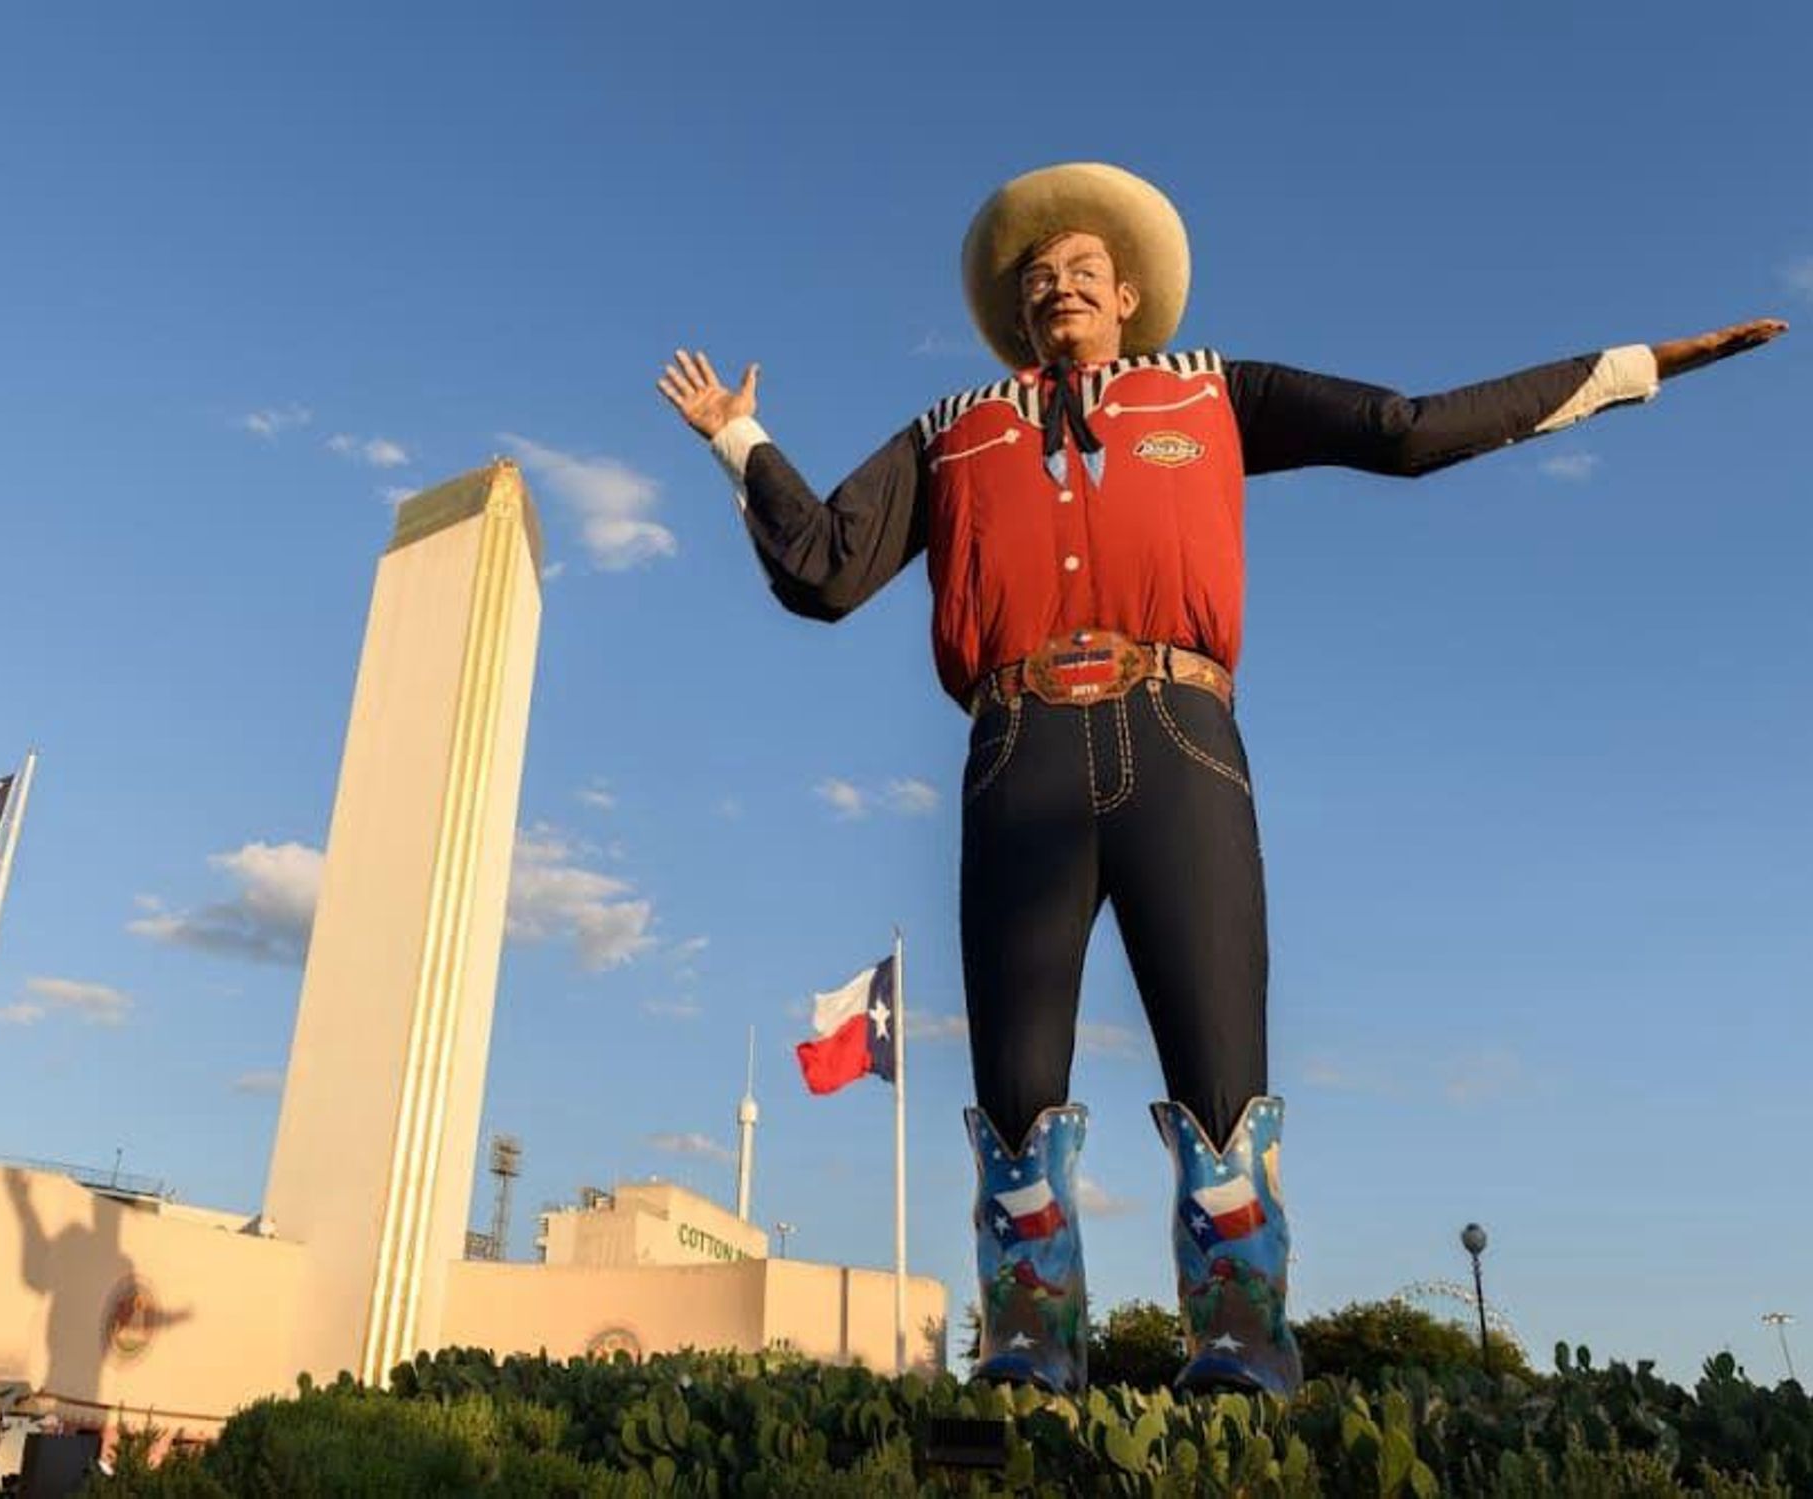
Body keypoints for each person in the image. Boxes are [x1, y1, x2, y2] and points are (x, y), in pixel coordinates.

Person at [657, 162, 1785, 1395]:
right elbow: (822, 570)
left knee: (1218, 1059)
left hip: (1180, 738)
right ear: (1016, 312)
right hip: (1014, 750)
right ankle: (1032, 1343)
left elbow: (1400, 430)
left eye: (1084, 270)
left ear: (1130, 297)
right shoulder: (953, 429)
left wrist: (1630, 370)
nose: (1060, 286)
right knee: (1017, 1077)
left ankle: (1241, 1342)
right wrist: (737, 438)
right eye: (1038, 277)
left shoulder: (1213, 391)